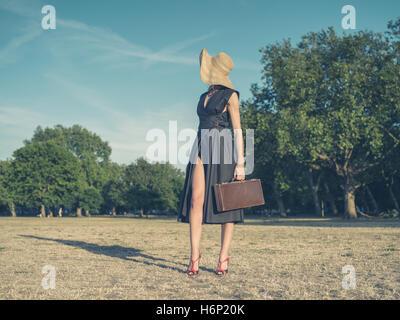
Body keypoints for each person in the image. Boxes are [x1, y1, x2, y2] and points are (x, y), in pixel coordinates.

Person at [177, 48, 245, 276]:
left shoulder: (231, 95)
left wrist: (241, 163)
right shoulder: (202, 96)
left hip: (223, 148)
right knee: (196, 200)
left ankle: (223, 257)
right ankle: (194, 257)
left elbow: (237, 130)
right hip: (199, 146)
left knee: (228, 203)